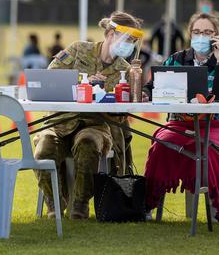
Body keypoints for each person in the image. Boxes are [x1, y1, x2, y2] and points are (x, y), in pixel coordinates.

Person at [33, 11, 144, 219]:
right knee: (43, 150)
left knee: (88, 143)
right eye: (127, 39)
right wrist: (82, 84)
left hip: (95, 126)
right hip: (59, 122)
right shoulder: (78, 49)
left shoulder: (126, 70)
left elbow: (122, 117)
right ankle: (55, 203)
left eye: (133, 41)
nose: (129, 45)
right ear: (111, 33)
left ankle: (80, 205)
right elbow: (50, 77)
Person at [143, 12, 219, 223]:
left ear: (217, 36)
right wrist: (146, 92)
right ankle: (148, 203)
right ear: (190, 34)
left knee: (211, 150)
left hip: (216, 125)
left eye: (207, 32)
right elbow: (153, 86)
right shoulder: (177, 59)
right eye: (197, 32)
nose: (201, 36)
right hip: (180, 123)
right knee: (161, 146)